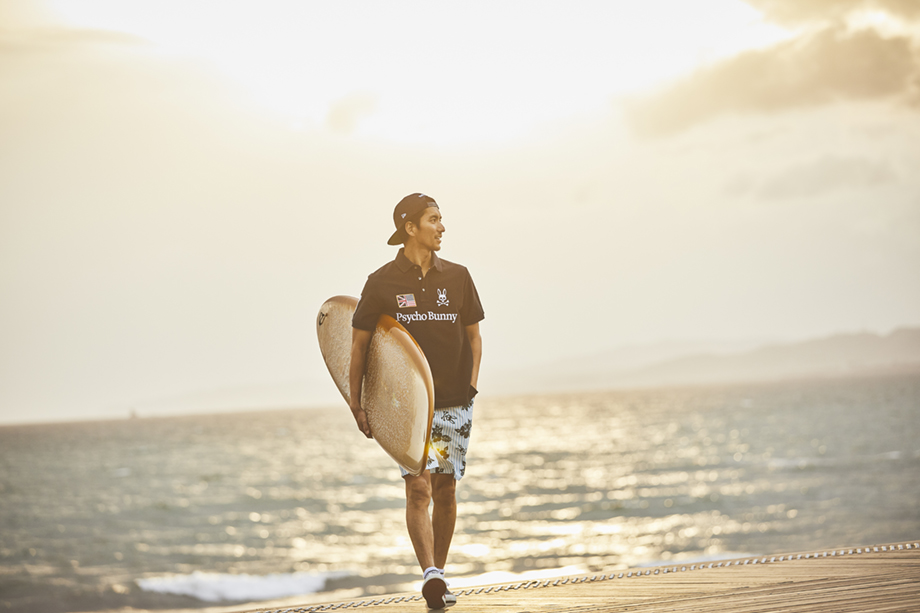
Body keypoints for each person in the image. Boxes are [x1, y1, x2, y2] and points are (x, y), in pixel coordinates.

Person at [349, 193, 484, 609]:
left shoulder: (458, 277)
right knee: (418, 489)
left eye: (441, 220)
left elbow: (474, 338)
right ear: (411, 228)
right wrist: (357, 403)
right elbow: (358, 346)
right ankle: (430, 573)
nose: (442, 227)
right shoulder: (381, 282)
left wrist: (471, 389)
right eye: (434, 219)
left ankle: (437, 578)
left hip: (453, 403)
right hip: (407, 407)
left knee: (445, 490)